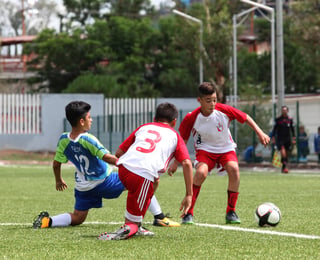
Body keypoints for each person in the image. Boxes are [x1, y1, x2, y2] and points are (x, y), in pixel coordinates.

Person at [32, 101, 179, 235]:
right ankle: (159, 217)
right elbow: (107, 157)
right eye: (89, 117)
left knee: (78, 218)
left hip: (84, 186)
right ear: (82, 121)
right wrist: (130, 164)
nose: (91, 120)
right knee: (144, 180)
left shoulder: (63, 139)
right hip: (106, 181)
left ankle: (48, 221)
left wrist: (58, 180)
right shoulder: (88, 139)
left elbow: (57, 163)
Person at [171, 82, 270, 225]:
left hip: (226, 149)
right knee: (200, 173)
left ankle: (231, 212)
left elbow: (246, 117)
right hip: (205, 150)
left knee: (234, 170)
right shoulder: (191, 118)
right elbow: (183, 141)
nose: (212, 104)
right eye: (208, 101)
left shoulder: (223, 110)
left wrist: (260, 133)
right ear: (199, 100)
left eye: (215, 100)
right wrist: (175, 162)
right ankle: (189, 212)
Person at [98, 102, 193, 240]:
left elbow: (119, 152)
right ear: (174, 122)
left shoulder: (144, 127)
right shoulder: (175, 136)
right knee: (133, 222)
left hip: (123, 169)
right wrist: (189, 194)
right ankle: (131, 228)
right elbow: (187, 163)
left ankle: (136, 225)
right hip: (141, 175)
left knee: (154, 183)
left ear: (155, 118)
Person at [270, 105, 296, 173]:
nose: (284, 111)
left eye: (285, 110)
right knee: (283, 153)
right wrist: (273, 138)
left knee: (286, 154)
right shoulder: (278, 120)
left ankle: (284, 168)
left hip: (287, 139)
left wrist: (293, 138)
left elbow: (292, 130)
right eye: (283, 110)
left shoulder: (290, 120)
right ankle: (284, 168)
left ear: (287, 111)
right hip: (280, 139)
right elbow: (274, 130)